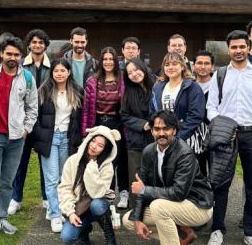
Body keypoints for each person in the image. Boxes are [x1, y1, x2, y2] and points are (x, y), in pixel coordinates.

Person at [205, 30, 252, 245]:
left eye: (242, 47)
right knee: (220, 184)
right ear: (228, 49)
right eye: (234, 47)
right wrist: (222, 126)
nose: (238, 51)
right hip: (226, 135)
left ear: (248, 47)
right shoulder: (220, 74)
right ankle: (217, 229)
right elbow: (211, 107)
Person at [124, 110, 214, 245]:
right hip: (173, 205)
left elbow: (178, 193)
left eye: (166, 128)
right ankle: (183, 235)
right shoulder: (149, 151)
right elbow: (142, 185)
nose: (161, 133)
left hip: (198, 205)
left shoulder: (184, 153)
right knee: (128, 220)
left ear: (174, 130)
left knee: (158, 207)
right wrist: (137, 219)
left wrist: (144, 190)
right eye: (156, 129)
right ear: (151, 131)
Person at [0, 37, 38, 235]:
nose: (12, 58)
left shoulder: (28, 78)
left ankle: (1, 218)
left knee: (8, 181)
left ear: (21, 56)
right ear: (1, 54)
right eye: (9, 54)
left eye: (16, 54)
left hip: (16, 138)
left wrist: (26, 129)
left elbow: (33, 108)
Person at [32, 59, 84, 233]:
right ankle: (55, 214)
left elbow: (79, 118)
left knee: (64, 178)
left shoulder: (76, 91)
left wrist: (77, 138)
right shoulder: (44, 91)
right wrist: (39, 134)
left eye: (63, 70)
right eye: (56, 71)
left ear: (69, 72)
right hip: (49, 138)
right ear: (52, 73)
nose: (59, 74)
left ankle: (60, 208)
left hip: (67, 139)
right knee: (52, 178)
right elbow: (35, 116)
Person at [58, 126, 121, 245]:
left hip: (96, 207)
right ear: (88, 139)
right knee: (67, 237)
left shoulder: (106, 166)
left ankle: (111, 243)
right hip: (79, 208)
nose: (94, 147)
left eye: (100, 145)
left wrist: (92, 167)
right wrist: (70, 212)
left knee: (97, 204)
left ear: (105, 149)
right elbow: (65, 188)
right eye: (93, 141)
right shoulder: (73, 160)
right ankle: (85, 229)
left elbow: (97, 192)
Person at [9, 29, 51, 217]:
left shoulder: (52, 66)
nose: (37, 45)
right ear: (29, 45)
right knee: (19, 161)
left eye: (41, 42)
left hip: (45, 121)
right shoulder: (20, 65)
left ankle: (47, 198)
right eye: (34, 42)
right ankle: (15, 198)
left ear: (45, 46)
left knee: (46, 162)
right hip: (23, 120)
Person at [82, 47, 128, 207]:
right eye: (105, 59)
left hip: (118, 123)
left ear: (116, 61)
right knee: (103, 160)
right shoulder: (92, 80)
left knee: (119, 159)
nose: (108, 62)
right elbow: (87, 109)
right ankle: (105, 195)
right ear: (101, 62)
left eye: (111, 59)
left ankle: (123, 193)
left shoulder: (123, 79)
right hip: (99, 123)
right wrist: (86, 130)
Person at [151, 52, 206, 158]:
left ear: (182, 66)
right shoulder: (157, 88)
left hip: (187, 139)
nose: (171, 67)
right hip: (163, 138)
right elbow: (153, 111)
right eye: (167, 65)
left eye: (174, 64)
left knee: (187, 171)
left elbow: (196, 116)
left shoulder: (192, 87)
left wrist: (178, 137)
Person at [120, 57, 156, 204]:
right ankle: (136, 210)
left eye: (136, 69)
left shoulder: (157, 86)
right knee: (136, 176)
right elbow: (124, 116)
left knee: (155, 175)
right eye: (130, 72)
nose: (134, 74)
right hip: (136, 140)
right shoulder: (128, 92)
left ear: (143, 68)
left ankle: (156, 209)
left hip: (156, 138)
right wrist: (143, 124)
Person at [192, 50, 213, 176]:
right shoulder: (188, 86)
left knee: (216, 173)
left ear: (212, 66)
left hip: (214, 134)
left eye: (207, 63)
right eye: (199, 63)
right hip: (194, 135)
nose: (203, 66)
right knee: (198, 173)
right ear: (193, 66)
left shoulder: (219, 85)